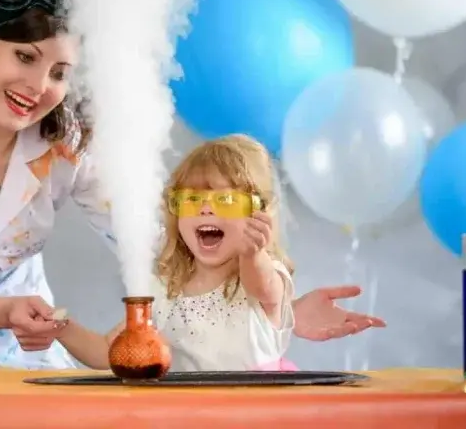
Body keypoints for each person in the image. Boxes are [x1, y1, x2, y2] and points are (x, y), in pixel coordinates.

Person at [0, 0, 385, 370]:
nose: (39, 87)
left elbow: (161, 241)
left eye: (60, 71)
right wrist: (0, 311)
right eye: (25, 57)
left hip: (28, 356)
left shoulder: (69, 137)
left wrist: (275, 308)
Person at [54, 135, 296, 371]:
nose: (205, 210)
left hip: (252, 397)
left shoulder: (265, 278)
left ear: (257, 214)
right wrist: (60, 327)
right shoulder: (165, 289)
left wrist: (253, 255)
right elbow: (110, 349)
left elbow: (262, 285)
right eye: (192, 199)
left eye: (226, 200)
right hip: (183, 399)